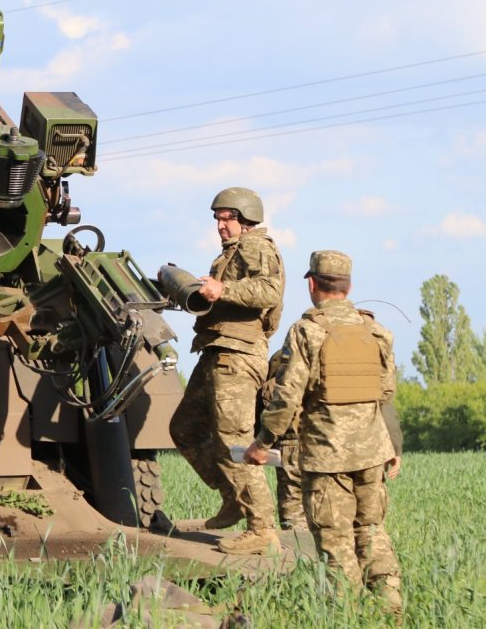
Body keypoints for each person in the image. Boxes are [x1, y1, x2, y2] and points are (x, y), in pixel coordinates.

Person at [245, 250, 403, 615]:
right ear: (348, 287)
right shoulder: (378, 331)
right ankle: (390, 609)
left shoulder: (307, 331)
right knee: (372, 531)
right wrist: (393, 445)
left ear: (312, 284)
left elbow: (287, 395)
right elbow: (387, 395)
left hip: (326, 456)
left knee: (335, 541)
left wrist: (262, 442)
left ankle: (347, 617)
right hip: (371, 454)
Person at [168, 186, 285, 555]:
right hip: (216, 350)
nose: (220, 225)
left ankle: (262, 528)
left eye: (227, 218)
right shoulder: (233, 251)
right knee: (184, 428)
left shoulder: (256, 246)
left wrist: (222, 290)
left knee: (236, 442)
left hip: (237, 354)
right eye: (217, 218)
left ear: (246, 219)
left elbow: (269, 290)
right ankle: (234, 498)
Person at [263, 347, 306, 531]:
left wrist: (262, 441)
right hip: (334, 443)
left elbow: (269, 395)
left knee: (294, 509)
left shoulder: (284, 357)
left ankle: (301, 556)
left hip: (292, 441)